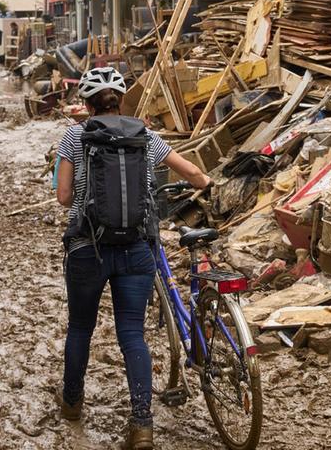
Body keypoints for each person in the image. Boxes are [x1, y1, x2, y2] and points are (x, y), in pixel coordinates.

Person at [54, 67, 210, 449]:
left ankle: (72, 402)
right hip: (137, 249)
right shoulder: (146, 135)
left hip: (87, 248)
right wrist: (207, 183)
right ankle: (141, 423)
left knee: (80, 328)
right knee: (132, 334)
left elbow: (62, 196)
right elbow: (191, 171)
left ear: (88, 104)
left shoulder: (75, 135)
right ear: (120, 100)